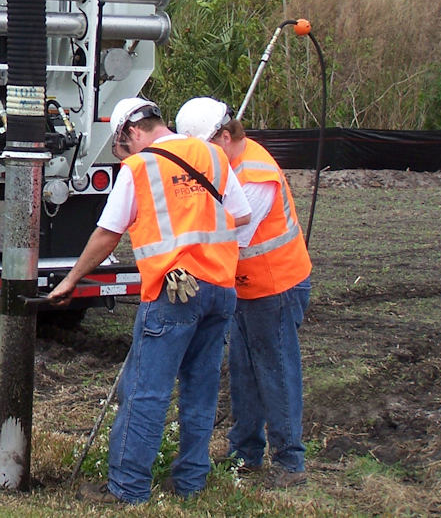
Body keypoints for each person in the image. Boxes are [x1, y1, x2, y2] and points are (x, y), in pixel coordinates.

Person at [47, 97, 252, 505]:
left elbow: (109, 234)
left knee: (146, 392)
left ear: (130, 132)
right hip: (219, 291)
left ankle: (127, 488)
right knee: (201, 390)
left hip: (174, 293)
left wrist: (71, 280)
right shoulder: (212, 154)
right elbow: (241, 216)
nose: (124, 155)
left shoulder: (140, 167)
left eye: (121, 147)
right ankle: (191, 483)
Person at [175, 97, 313, 490]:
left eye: (203, 147)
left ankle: (290, 462)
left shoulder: (254, 174)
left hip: (276, 286)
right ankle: (245, 452)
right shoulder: (226, 163)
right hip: (248, 288)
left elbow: (233, 237)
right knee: (243, 370)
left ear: (223, 135)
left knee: (275, 371)